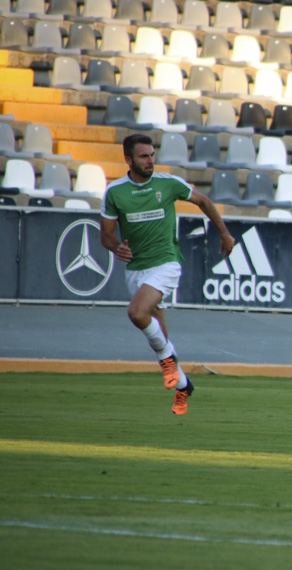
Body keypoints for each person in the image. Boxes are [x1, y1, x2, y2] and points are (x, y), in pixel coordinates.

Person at [99, 133, 235, 415]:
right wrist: (116, 248)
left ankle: (169, 364)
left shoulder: (168, 184)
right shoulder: (115, 192)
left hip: (166, 263)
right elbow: (106, 235)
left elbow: (205, 202)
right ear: (128, 160)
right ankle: (183, 385)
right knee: (157, 333)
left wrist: (224, 234)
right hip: (137, 269)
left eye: (151, 155)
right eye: (143, 156)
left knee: (137, 313)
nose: (150, 160)